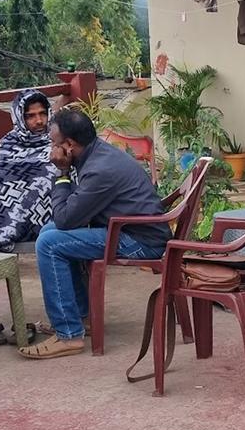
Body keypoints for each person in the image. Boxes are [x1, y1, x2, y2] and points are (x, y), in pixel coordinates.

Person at [20, 107, 170, 359]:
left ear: (69, 145)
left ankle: (69, 335)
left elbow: (67, 218)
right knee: (49, 231)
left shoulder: (100, 169)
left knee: (49, 243)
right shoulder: (96, 155)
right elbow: (71, 215)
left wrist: (62, 172)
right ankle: (80, 318)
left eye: (54, 143)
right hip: (129, 228)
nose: (51, 149)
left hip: (141, 240)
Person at [0, 89, 58, 251]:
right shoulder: (8, 143)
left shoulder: (57, 139)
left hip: (48, 213)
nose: (39, 121)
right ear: (19, 116)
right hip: (9, 212)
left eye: (43, 114)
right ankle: (6, 230)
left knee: (52, 169)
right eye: (31, 116)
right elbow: (4, 180)